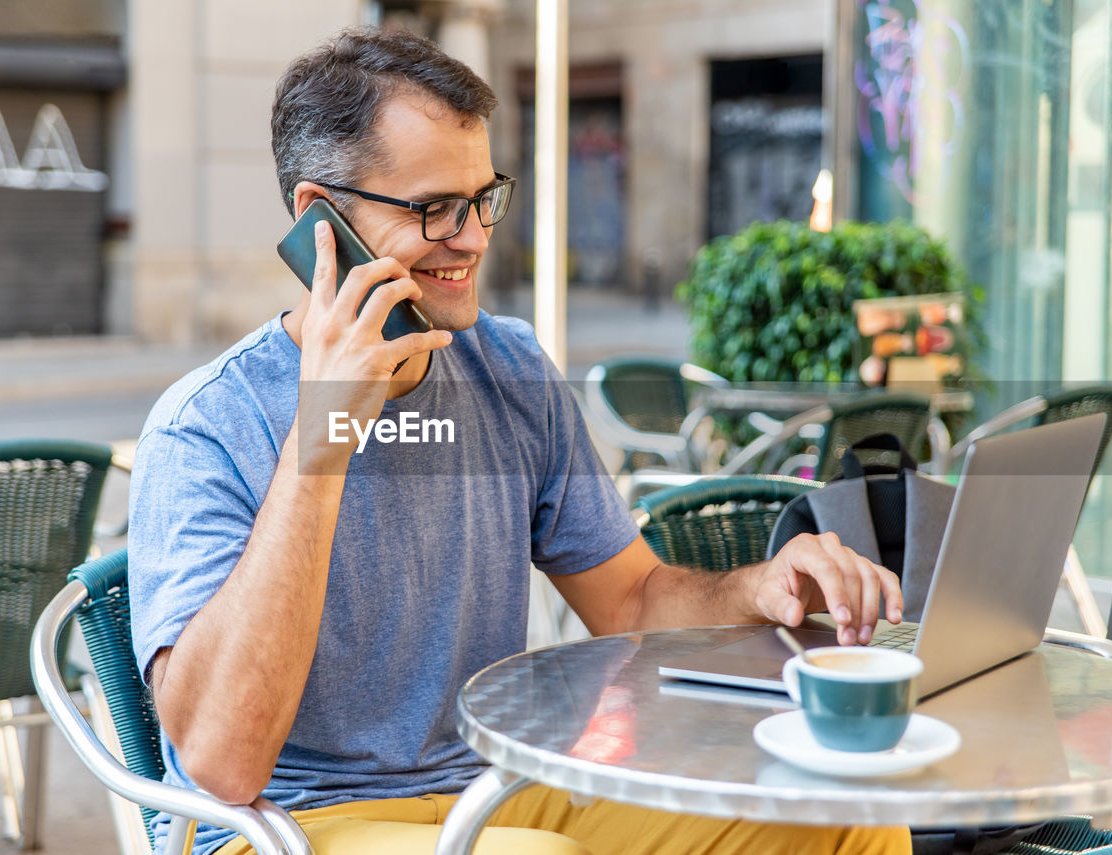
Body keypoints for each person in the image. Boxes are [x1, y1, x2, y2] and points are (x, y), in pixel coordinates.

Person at [128, 26, 909, 855]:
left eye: (483, 197)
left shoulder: (509, 367)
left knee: (845, 812)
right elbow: (221, 763)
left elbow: (631, 601)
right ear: (322, 222)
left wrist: (762, 587)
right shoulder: (205, 425)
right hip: (283, 823)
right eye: (434, 209)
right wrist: (327, 427)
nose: (471, 237)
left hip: (497, 790)